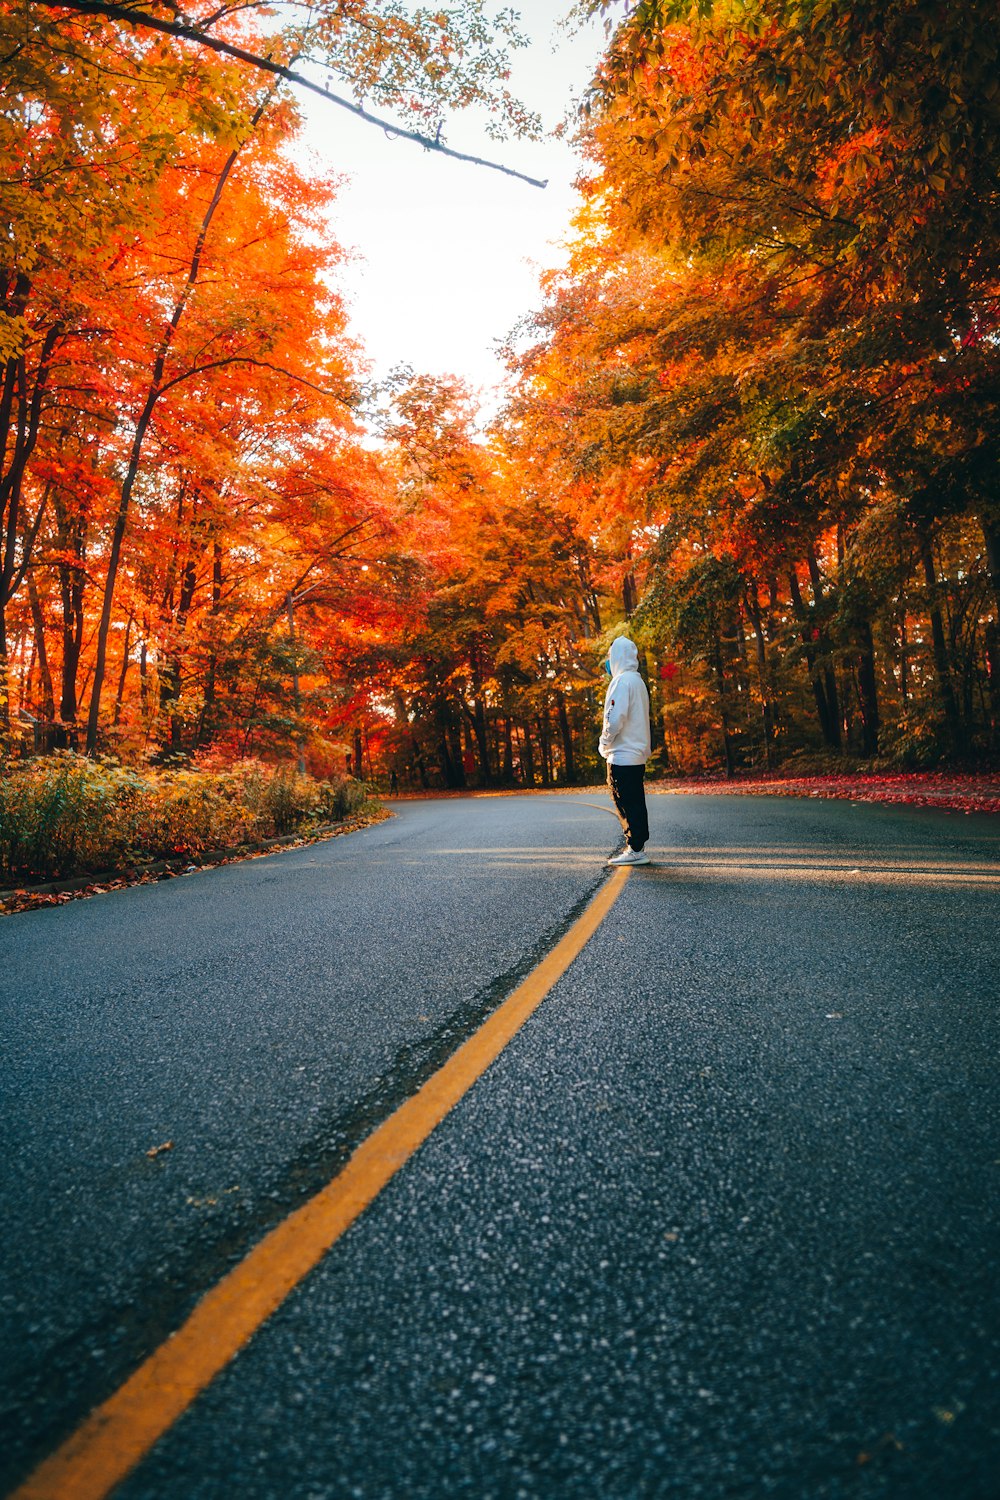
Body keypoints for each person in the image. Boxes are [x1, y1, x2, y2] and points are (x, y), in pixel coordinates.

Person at [599, 635, 651, 866]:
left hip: (622, 753)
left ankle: (635, 848)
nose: (609, 662)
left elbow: (614, 717)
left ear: (617, 657)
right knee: (635, 800)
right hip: (637, 752)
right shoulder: (637, 681)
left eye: (611, 657)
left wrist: (604, 742)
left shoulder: (621, 682)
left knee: (624, 800)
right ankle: (637, 846)